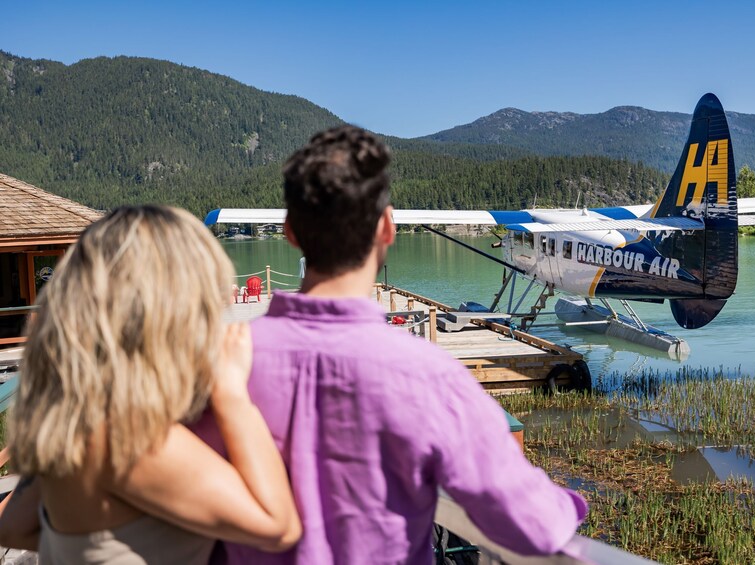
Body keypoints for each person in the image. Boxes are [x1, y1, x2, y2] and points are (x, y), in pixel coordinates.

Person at [193, 125, 588, 564]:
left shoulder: (219, 365)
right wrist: (570, 504)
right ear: (386, 227)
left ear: (289, 231)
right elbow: (531, 523)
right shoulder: (429, 374)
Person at [0, 205, 302, 562]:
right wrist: (231, 394)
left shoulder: (75, 421)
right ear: (168, 309)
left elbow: (13, 526)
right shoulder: (129, 438)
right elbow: (277, 525)